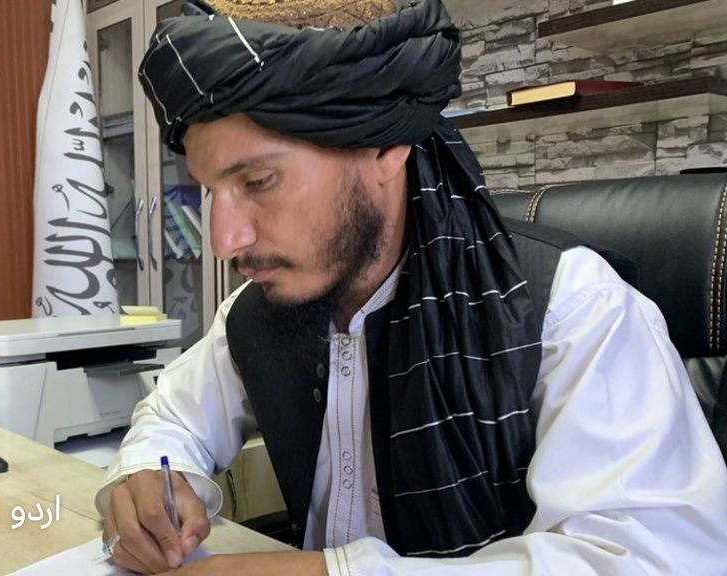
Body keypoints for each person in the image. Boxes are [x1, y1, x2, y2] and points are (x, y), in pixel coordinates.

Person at [94, 1, 727, 574]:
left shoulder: (572, 308)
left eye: (258, 181)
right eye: (210, 190)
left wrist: (333, 573)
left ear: (384, 147)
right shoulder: (258, 313)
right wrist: (146, 474)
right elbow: (172, 416)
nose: (223, 238)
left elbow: (655, 556)